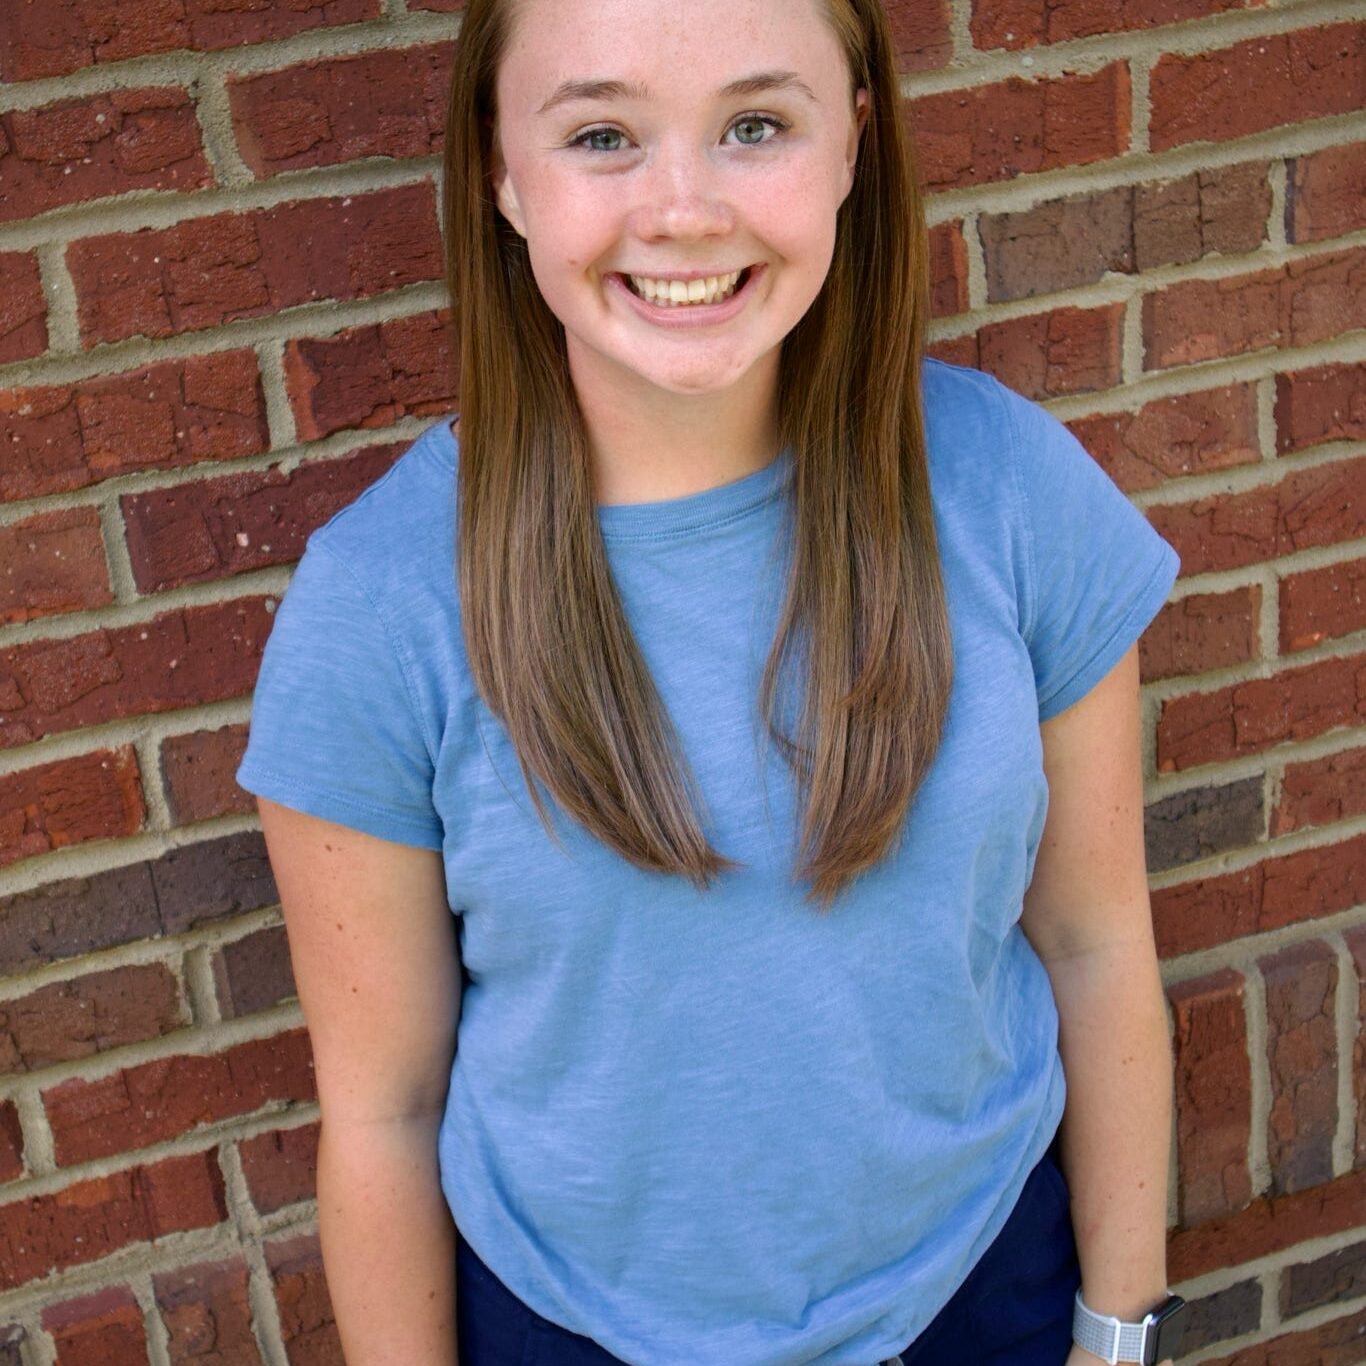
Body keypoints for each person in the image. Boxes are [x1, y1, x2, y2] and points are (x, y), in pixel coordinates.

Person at [234, 0, 1189, 1362]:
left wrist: (1116, 1333)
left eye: (755, 124)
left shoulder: (1010, 488)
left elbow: (1095, 948)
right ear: (500, 171)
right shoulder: (379, 606)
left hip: (985, 1295)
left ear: (852, 144)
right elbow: (386, 1110)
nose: (682, 211)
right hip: (579, 1330)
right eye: (602, 136)